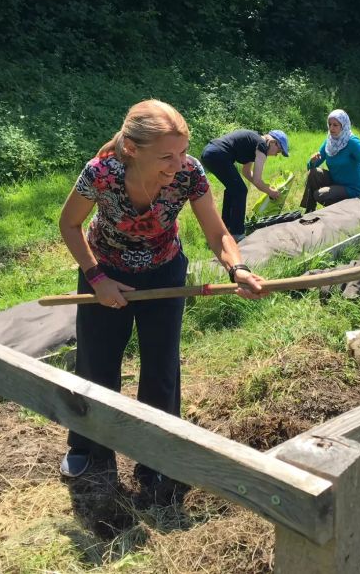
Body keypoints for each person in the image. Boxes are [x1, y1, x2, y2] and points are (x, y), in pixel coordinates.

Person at [58, 100, 269, 483]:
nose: (178, 164)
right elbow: (69, 225)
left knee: (161, 365)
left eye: (184, 151)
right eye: (166, 156)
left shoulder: (190, 174)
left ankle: (157, 451)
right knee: (97, 360)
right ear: (132, 150)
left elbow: (217, 231)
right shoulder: (101, 173)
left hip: (164, 270)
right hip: (104, 271)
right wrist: (96, 278)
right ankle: (89, 445)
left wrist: (237, 268)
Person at [200, 129, 290, 241]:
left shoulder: (255, 143)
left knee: (233, 189)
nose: (277, 154)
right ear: (273, 142)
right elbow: (257, 181)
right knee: (240, 191)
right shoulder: (262, 146)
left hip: (210, 152)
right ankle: (237, 234)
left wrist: (267, 187)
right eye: (279, 150)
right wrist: (270, 192)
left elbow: (246, 172)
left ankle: (225, 228)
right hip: (217, 154)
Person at [300, 109, 360, 213]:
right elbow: (310, 168)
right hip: (336, 182)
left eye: (335, 125)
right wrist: (312, 161)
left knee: (319, 194)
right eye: (329, 124)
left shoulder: (352, 142)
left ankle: (347, 210)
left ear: (343, 126)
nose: (331, 128)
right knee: (313, 173)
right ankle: (309, 211)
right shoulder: (330, 141)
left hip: (352, 188)